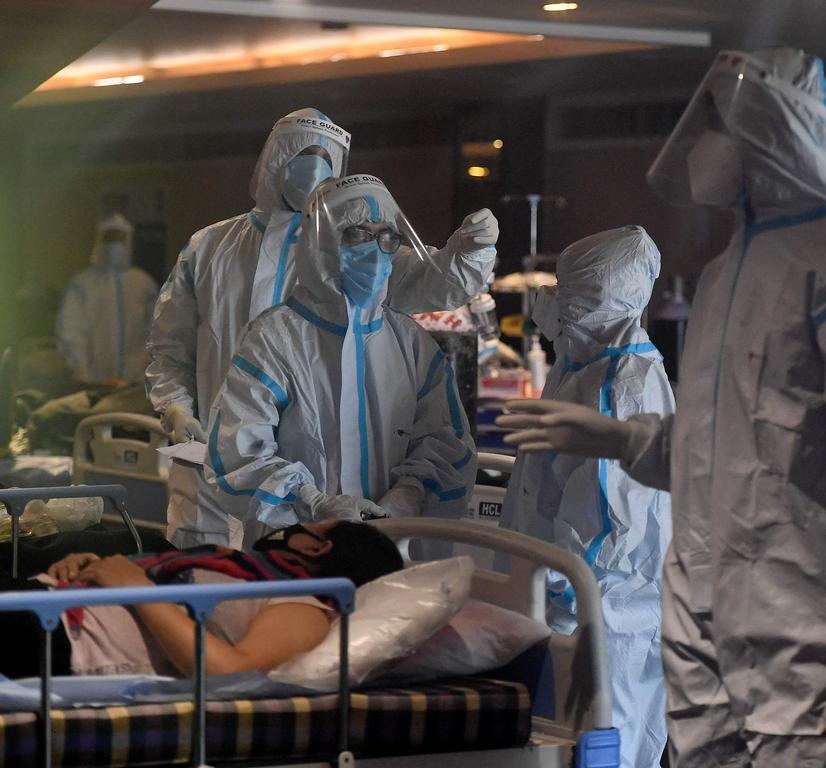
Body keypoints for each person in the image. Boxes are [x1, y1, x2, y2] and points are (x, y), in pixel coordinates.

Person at [499, 48, 826, 767]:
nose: (709, 148)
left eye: (730, 129)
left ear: (778, 139)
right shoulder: (732, 274)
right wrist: (618, 439)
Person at [146, 108, 497, 547]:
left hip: (321, 495)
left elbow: (437, 281)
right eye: (302, 153)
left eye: (326, 156)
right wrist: (176, 408)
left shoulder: (348, 238)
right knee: (210, 580)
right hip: (216, 463)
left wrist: (472, 251)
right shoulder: (210, 248)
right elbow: (170, 346)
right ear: (273, 161)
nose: (314, 167)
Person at [205, 174, 476, 543]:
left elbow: (446, 443)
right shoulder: (274, 340)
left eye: (386, 237)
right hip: (297, 550)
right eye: (358, 235)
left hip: (394, 550)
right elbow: (236, 455)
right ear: (322, 242)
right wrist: (312, 503)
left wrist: (409, 495)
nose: (376, 249)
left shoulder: (410, 342)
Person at [501, 226, 674, 768]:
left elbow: (605, 528)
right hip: (578, 608)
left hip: (603, 614)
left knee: (606, 747)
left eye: (566, 287)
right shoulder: (584, 365)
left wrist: (548, 596)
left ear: (598, 294)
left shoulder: (622, 383)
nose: (552, 299)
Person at [0, 519, 403, 679]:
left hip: (58, 638)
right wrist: (89, 567)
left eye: (312, 525)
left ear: (317, 548)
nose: (294, 523)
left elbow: (231, 673)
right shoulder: (245, 569)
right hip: (43, 601)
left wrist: (134, 587)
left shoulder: (305, 607)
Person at [57, 213, 158, 384]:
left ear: (128, 240)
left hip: (136, 382)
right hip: (92, 381)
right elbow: (70, 329)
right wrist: (81, 368)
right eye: (109, 237)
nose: (114, 244)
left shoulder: (143, 283)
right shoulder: (82, 284)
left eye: (119, 238)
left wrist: (140, 367)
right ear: (99, 240)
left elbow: (156, 329)